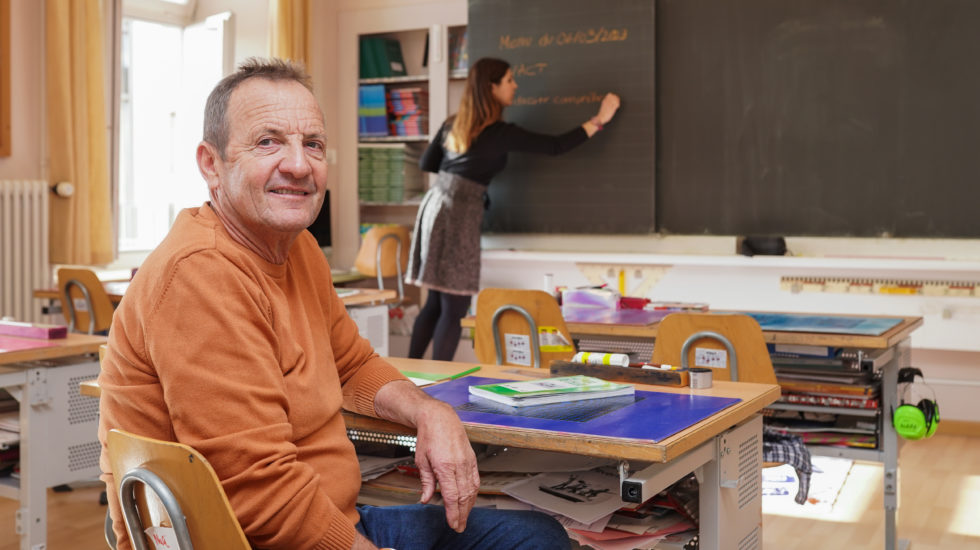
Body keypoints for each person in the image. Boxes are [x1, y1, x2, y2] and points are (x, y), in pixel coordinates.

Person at [97, 58, 569, 550]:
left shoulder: (296, 247)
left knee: (538, 537)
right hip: (253, 539)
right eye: (268, 142)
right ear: (211, 164)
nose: (299, 165)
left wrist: (431, 413)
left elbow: (352, 365)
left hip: (333, 517)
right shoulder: (200, 273)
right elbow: (259, 495)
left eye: (313, 144)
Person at [406, 57, 621, 361]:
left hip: (434, 206)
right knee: (454, 307)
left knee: (435, 302)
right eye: (509, 80)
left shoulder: (454, 124)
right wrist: (599, 119)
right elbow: (555, 146)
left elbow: (427, 163)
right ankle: (437, 381)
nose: (515, 85)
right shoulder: (499, 133)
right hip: (459, 214)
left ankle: (406, 373)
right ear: (491, 87)